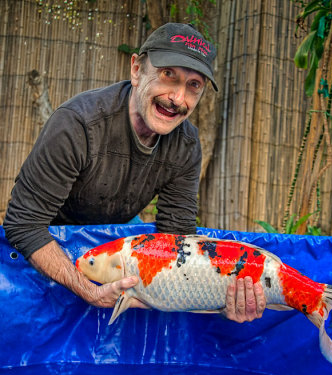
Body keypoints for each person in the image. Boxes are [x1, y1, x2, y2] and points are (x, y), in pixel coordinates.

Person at [4, 23, 265, 323]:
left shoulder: (186, 145)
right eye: (169, 75)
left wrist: (220, 299)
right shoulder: (77, 125)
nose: (178, 99)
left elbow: (176, 238)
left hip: (118, 228)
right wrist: (87, 289)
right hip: (51, 234)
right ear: (137, 70)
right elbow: (23, 223)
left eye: (193, 85)